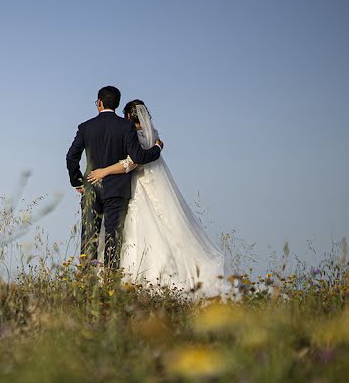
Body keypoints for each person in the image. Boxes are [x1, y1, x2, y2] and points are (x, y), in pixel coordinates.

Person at [86, 99, 229, 296]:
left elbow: (134, 161)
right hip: (150, 184)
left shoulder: (132, 134)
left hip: (135, 186)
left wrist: (104, 171)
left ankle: (132, 280)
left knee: (133, 229)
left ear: (128, 117)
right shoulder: (154, 135)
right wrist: (157, 148)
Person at [66, 86, 163, 270]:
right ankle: (111, 281)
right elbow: (139, 157)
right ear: (117, 104)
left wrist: (77, 182)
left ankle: (86, 281)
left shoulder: (86, 127)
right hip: (117, 190)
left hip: (91, 189)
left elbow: (71, 157)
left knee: (89, 236)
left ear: (99, 103)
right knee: (113, 237)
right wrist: (157, 148)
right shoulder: (126, 126)